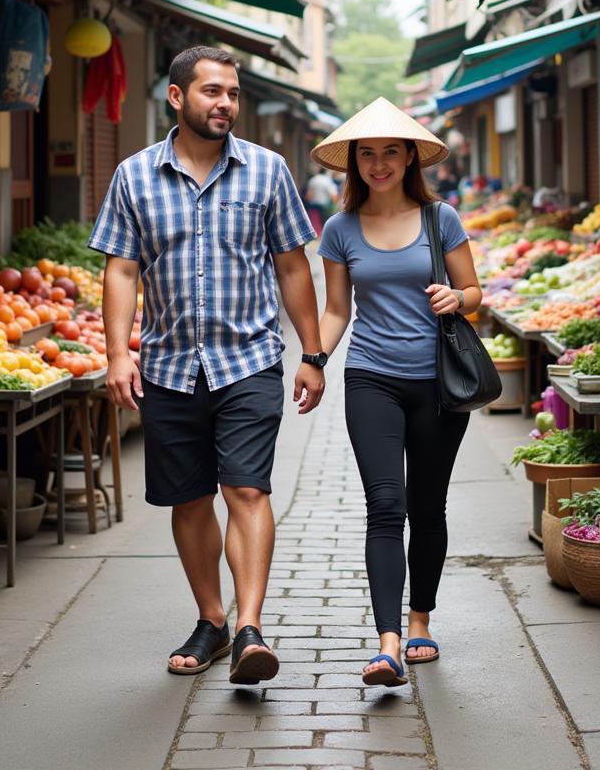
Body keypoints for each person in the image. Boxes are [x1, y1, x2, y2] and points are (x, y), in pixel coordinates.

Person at [90, 45, 327, 685]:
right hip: (168, 365)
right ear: (177, 97)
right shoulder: (134, 176)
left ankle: (250, 627)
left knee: (246, 489)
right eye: (211, 92)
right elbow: (120, 267)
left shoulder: (268, 171)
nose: (224, 103)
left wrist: (312, 353)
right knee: (189, 501)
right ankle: (212, 619)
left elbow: (290, 266)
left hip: (248, 361)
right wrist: (119, 352)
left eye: (231, 93)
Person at [311, 97, 482, 688]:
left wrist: (457, 300)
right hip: (370, 378)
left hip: (438, 384)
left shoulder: (442, 219)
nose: (379, 163)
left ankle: (420, 622)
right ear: (353, 162)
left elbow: (475, 290)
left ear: (410, 156)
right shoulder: (339, 229)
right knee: (385, 506)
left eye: (390, 151)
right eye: (367, 154)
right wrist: (314, 360)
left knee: (426, 504)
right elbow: (337, 310)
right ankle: (386, 644)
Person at [303, 164, 339, 236]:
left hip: (313, 204)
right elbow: (333, 195)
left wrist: (306, 203)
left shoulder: (313, 180)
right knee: (324, 222)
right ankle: (324, 236)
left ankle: (315, 234)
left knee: (315, 221)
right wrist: (336, 205)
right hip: (324, 205)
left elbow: (308, 195)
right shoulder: (328, 180)